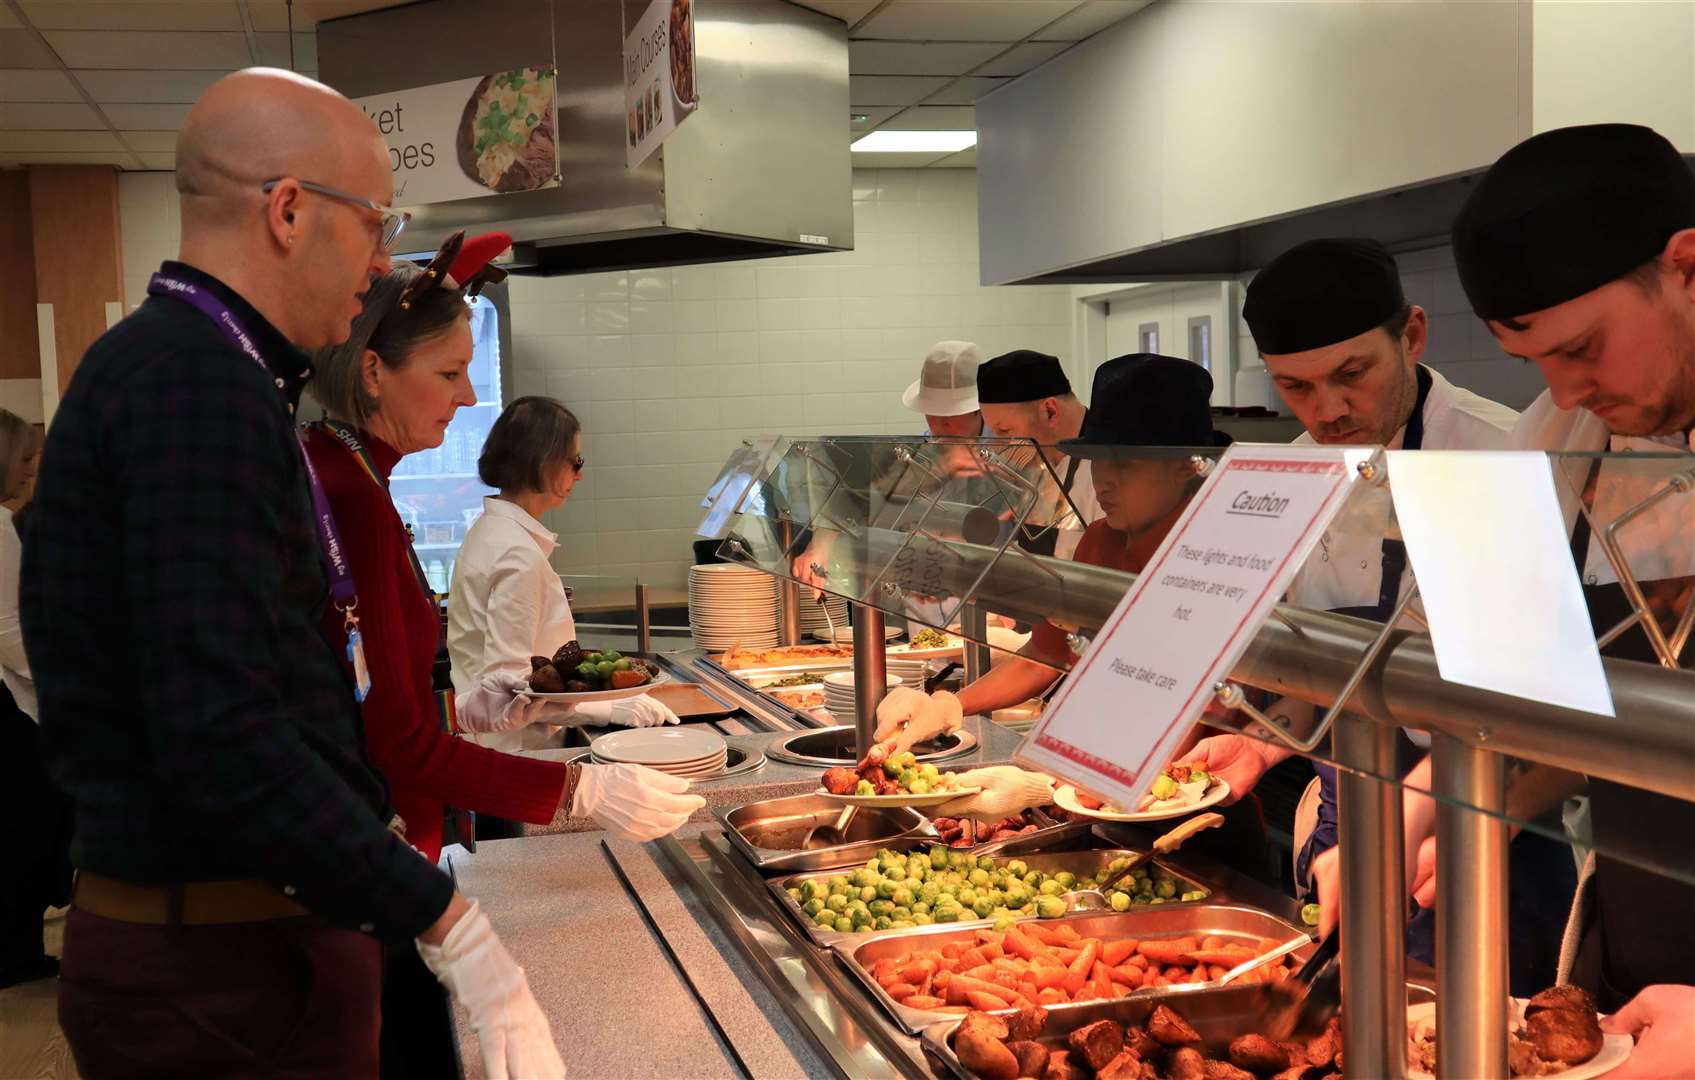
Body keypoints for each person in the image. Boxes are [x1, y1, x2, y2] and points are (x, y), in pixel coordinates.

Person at [20, 68, 569, 1078]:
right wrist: (448, 922)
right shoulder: (195, 386)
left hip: (244, 946)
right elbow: (218, 732)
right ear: (286, 210)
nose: (382, 258)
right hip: (219, 971)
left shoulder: (201, 372)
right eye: (374, 221)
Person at [1183, 238, 1579, 987]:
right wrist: (1266, 743)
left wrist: (1449, 819)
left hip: (1486, 822)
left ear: (1412, 335)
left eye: (1351, 375)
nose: (1326, 410)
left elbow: (1529, 701)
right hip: (1346, 809)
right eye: (1294, 387)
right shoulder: (1293, 473)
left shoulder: (1497, 457)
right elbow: (1326, 672)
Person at [1445, 122, 1694, 1052]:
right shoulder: (1556, 438)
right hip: (1631, 966)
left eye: (1583, 348)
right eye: (1533, 362)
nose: (1564, 386)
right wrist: (1436, 801)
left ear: (1686, 266)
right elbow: (1521, 689)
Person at [883, 355, 1239, 830]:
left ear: (1184, 467)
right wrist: (950, 706)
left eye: (1126, 465)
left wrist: (1055, 785)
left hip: (1191, 811)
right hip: (1098, 793)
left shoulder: (1220, 555)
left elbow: (1197, 709)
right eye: (1095, 462)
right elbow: (1045, 655)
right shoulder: (1100, 540)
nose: (1104, 481)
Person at [448, 394, 678, 756]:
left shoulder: (492, 533)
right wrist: (605, 708)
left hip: (501, 743)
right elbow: (507, 691)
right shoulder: (516, 553)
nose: (580, 473)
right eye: (576, 461)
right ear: (545, 462)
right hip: (518, 750)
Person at [0, 412, 65, 990]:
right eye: (24, 456)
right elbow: (10, 629)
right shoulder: (1, 526)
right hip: (14, 702)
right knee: (27, 829)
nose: (31, 467)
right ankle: (15, 954)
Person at [976, 349, 1102, 560]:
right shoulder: (1037, 461)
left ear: (1050, 411)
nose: (999, 446)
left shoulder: (1106, 466)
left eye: (1005, 430)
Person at [902, 339, 985, 438]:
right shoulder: (918, 450)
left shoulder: (1006, 446)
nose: (937, 426)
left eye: (948, 416)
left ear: (980, 410)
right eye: (931, 413)